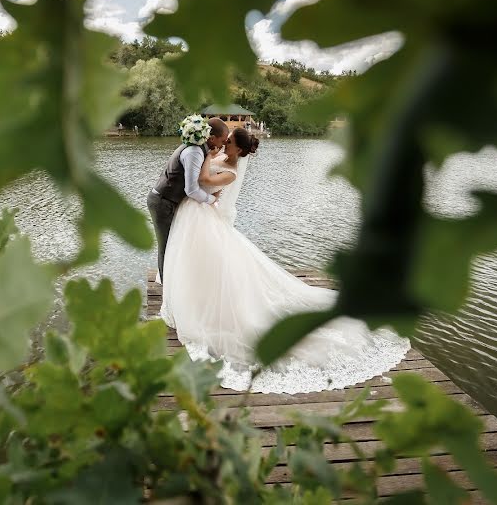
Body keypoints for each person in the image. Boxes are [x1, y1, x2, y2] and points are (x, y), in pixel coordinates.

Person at [160, 128, 410, 394]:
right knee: (196, 263)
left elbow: (202, 179)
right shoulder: (222, 159)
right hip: (197, 217)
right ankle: (195, 300)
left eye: (230, 143)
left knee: (213, 264)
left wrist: (206, 154)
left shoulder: (230, 172)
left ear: (240, 151)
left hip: (205, 219)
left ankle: (206, 310)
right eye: (227, 140)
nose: (225, 144)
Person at [147, 117, 229, 284]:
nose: (223, 145)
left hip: (169, 201)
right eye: (222, 140)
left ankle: (175, 285)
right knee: (166, 247)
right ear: (212, 138)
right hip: (162, 202)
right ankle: (166, 289)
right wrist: (212, 199)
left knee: (175, 244)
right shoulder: (194, 152)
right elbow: (191, 190)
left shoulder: (200, 150)